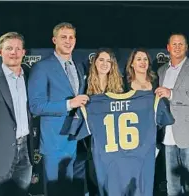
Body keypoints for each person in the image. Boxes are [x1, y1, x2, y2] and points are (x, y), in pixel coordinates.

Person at [28, 22, 89, 196]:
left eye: (71, 37)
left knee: (70, 190)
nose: (68, 41)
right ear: (54, 40)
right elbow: (36, 106)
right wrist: (69, 104)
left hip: (75, 140)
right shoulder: (42, 68)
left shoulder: (78, 66)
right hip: (54, 141)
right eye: (63, 37)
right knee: (55, 190)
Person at [156, 33, 189, 196]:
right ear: (168, 48)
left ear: (186, 47)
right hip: (168, 135)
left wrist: (171, 93)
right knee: (172, 186)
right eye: (174, 44)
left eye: (181, 44)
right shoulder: (161, 71)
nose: (177, 47)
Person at [0, 32, 34, 196]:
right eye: (9, 48)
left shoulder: (30, 77)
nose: (14, 53)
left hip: (26, 152)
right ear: (0, 52)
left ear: (23, 52)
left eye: (18, 49)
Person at [85, 48, 123, 195]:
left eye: (108, 61)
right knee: (94, 178)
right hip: (92, 142)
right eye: (101, 60)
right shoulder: (85, 84)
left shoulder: (119, 87)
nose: (104, 64)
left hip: (113, 142)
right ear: (94, 62)